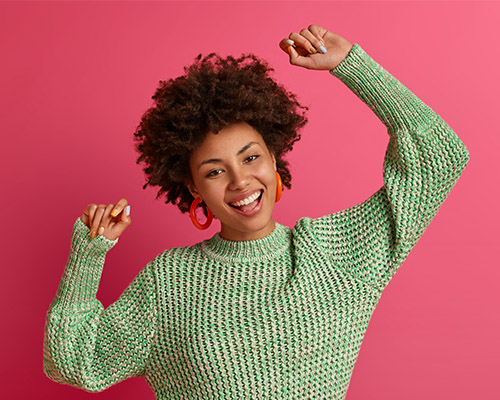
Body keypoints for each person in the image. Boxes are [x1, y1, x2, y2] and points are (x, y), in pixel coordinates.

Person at [43, 25, 470, 399]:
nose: (240, 182)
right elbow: (74, 361)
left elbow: (440, 157)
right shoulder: (169, 283)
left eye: (250, 159)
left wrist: (352, 66)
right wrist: (88, 255)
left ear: (273, 156)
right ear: (193, 187)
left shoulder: (334, 255)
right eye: (215, 171)